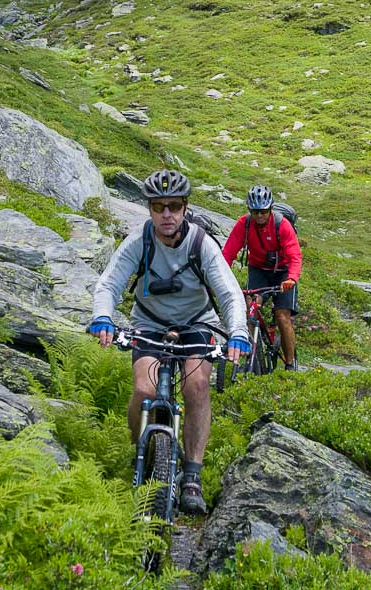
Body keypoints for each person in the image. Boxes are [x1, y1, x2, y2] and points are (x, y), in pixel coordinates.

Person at [89, 168, 249, 515]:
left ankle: (192, 475)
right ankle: (142, 452)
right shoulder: (138, 241)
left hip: (196, 323)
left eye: (174, 206)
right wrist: (102, 316)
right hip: (149, 323)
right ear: (149, 209)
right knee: (144, 391)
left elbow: (230, 294)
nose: (166, 214)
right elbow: (109, 285)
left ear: (185, 208)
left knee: (198, 385)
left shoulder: (201, 244)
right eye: (158, 206)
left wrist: (238, 332)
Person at [222, 184, 301, 370]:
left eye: (263, 211)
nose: (259, 216)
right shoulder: (244, 224)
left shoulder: (282, 225)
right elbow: (228, 254)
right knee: (251, 308)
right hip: (258, 270)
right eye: (255, 211)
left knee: (282, 316)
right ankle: (252, 360)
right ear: (250, 210)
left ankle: (290, 364)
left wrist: (291, 278)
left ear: (270, 208)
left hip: (283, 272)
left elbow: (295, 255)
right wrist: (220, 277)